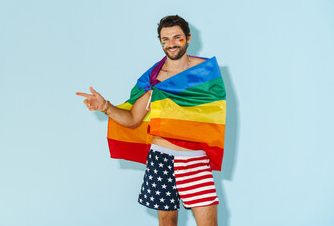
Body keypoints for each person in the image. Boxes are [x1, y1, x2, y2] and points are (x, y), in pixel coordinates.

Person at [76, 15, 226, 226]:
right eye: (165, 39)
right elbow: (133, 119)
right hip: (161, 158)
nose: (171, 44)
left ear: (188, 38)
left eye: (177, 38)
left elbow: (213, 111)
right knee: (166, 220)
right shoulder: (155, 78)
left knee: (208, 222)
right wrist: (106, 106)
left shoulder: (205, 71)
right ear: (160, 41)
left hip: (194, 158)